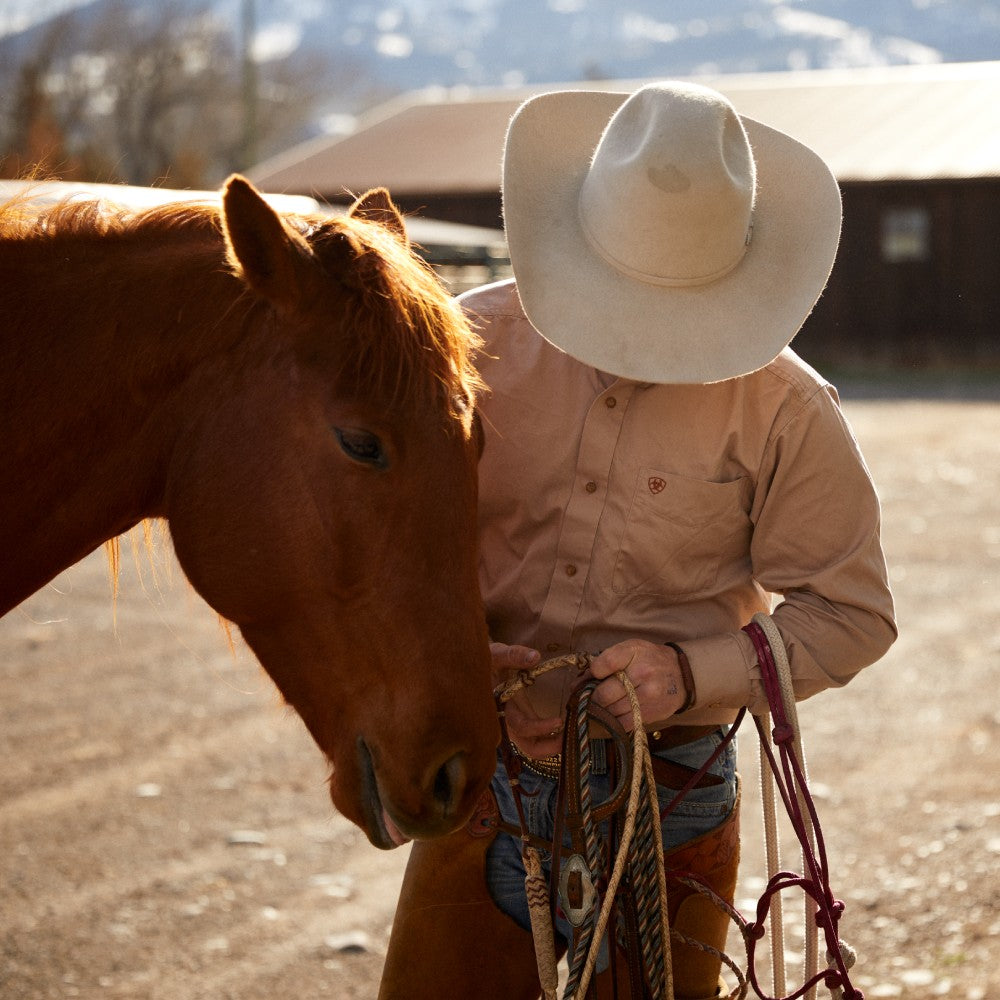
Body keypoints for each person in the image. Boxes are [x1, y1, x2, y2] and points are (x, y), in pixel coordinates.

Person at [377, 81, 897, 1000]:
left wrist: (688, 674)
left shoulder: (786, 408)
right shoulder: (462, 349)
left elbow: (851, 616)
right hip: (484, 783)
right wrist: (446, 650)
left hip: (675, 794)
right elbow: (374, 555)